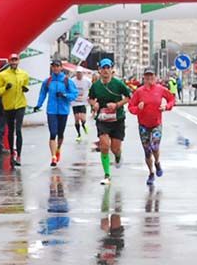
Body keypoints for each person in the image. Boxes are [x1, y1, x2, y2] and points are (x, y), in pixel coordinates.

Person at [128, 68, 175, 186]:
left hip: (156, 124)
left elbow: (172, 99)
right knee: (147, 151)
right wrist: (138, 108)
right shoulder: (138, 92)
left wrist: (166, 107)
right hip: (143, 125)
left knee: (154, 146)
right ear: (143, 77)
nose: (149, 78)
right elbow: (130, 107)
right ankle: (151, 173)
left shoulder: (160, 89)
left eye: (151, 76)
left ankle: (157, 163)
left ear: (155, 77)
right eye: (147, 76)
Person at [89, 58, 132, 186]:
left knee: (115, 148)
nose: (106, 70)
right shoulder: (96, 86)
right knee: (104, 146)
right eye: (103, 68)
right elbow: (90, 99)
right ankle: (107, 175)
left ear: (112, 69)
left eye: (108, 68)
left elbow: (129, 97)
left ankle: (118, 156)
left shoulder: (118, 84)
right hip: (102, 119)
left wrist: (117, 104)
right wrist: (94, 104)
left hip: (117, 119)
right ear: (99, 70)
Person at [34, 59, 78, 167]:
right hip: (51, 110)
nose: (55, 68)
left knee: (60, 133)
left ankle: (58, 149)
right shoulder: (48, 81)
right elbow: (42, 93)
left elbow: (74, 94)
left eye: (57, 66)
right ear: (51, 68)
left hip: (63, 110)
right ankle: (53, 157)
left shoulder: (67, 81)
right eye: (53, 66)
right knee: (53, 133)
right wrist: (38, 105)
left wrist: (65, 95)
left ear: (61, 67)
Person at [0, 53, 30, 167]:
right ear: (9, 61)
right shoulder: (2, 75)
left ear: (18, 61)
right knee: (11, 130)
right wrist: (5, 88)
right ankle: (12, 153)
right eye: (12, 60)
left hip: (20, 105)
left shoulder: (24, 74)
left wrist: (25, 89)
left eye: (16, 60)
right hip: (8, 106)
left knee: (18, 129)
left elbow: (26, 84)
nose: (14, 62)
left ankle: (19, 156)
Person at [71, 68, 92, 143]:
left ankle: (83, 125)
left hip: (83, 102)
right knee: (77, 119)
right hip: (75, 102)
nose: (79, 75)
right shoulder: (72, 81)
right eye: (77, 73)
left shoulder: (87, 81)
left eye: (80, 73)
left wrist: (90, 97)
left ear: (82, 73)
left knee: (82, 118)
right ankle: (79, 134)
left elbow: (91, 88)